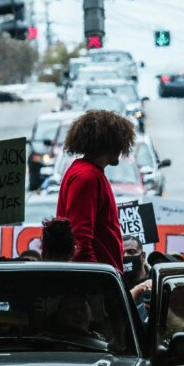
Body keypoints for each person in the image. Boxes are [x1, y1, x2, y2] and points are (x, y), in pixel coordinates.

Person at [57, 109, 138, 273]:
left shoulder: (86, 172)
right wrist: (98, 280)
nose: (123, 150)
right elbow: (80, 238)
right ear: (111, 144)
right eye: (121, 143)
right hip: (96, 286)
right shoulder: (87, 177)